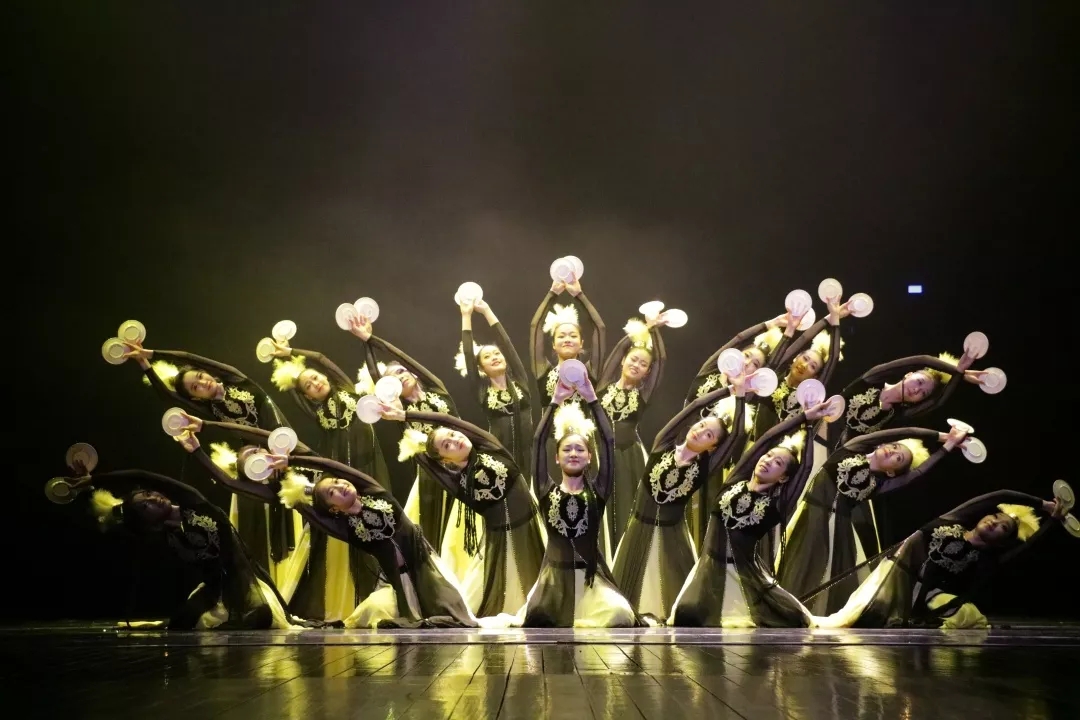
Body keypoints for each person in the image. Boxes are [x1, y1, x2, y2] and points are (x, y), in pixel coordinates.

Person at [816, 483, 1078, 628]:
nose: (995, 522)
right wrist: (1043, 505)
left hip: (927, 601)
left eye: (1004, 528)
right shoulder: (951, 520)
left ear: (1003, 541)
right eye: (996, 516)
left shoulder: (985, 558)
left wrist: (1051, 522)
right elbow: (1000, 495)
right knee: (844, 622)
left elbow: (1027, 546)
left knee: (967, 614)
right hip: (892, 583)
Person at [776, 423, 973, 614]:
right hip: (810, 517)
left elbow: (918, 473)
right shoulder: (850, 450)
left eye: (898, 458)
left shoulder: (879, 485)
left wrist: (948, 447)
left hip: (836, 531)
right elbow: (903, 431)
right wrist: (941, 436)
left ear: (891, 472)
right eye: (895, 446)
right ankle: (780, 608)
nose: (892, 452)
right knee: (795, 568)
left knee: (817, 576)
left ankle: (793, 614)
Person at [380, 405, 545, 618]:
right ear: (445, 460)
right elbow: (422, 458)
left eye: (452, 434)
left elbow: (448, 420)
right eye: (446, 445)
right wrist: (400, 425)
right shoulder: (457, 483)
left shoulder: (490, 447)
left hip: (532, 530)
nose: (454, 439)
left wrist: (404, 415)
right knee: (486, 607)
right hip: (502, 545)